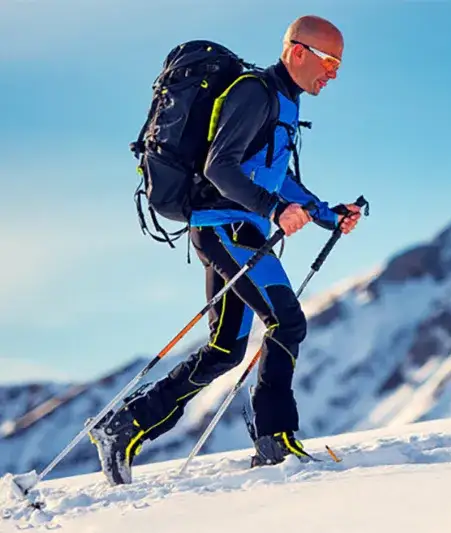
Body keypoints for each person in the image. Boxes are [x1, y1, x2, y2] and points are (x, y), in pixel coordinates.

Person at [88, 15, 362, 486]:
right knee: (287, 321)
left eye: (339, 64)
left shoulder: (283, 102)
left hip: (238, 226)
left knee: (224, 350)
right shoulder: (255, 93)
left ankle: (123, 425)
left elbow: (276, 175)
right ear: (298, 51)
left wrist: (325, 214)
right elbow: (220, 169)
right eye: (329, 60)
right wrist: (274, 211)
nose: (334, 72)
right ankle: (275, 440)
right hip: (227, 228)